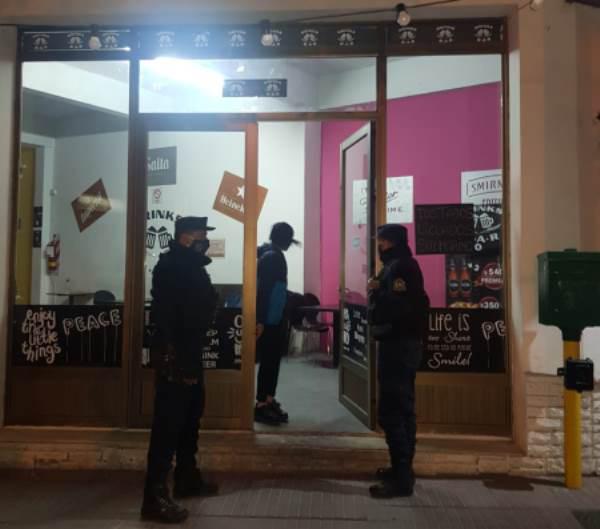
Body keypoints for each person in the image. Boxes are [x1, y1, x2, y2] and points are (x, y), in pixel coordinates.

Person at [141, 216, 219, 524]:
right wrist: (174, 357)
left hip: (190, 351)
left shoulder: (192, 265)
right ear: (186, 237)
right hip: (176, 354)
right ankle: (154, 497)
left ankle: (186, 477)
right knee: (168, 424)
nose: (205, 240)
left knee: (190, 418)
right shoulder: (172, 265)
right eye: (200, 234)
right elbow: (169, 314)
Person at [367, 224, 430, 499]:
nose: (378, 245)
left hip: (398, 344)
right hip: (402, 343)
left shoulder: (400, 267)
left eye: (380, 241)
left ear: (388, 242)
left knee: (393, 411)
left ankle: (402, 479)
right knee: (402, 409)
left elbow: (398, 307)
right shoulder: (401, 265)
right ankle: (401, 470)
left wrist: (376, 290)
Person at [254, 222, 299, 425]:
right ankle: (262, 404)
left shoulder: (269, 253)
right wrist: (261, 320)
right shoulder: (272, 257)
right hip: (269, 320)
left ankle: (268, 399)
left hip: (274, 318)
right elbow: (264, 291)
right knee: (269, 362)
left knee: (271, 361)